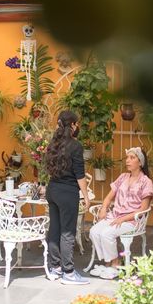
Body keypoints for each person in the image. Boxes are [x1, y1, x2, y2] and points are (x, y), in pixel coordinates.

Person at [88, 147, 153, 279]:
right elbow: (108, 197)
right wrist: (104, 208)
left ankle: (115, 263)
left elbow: (143, 208)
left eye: (132, 158)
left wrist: (123, 219)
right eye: (127, 158)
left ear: (140, 162)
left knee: (106, 234)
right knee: (94, 231)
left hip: (132, 220)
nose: (128, 161)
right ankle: (108, 262)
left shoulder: (146, 182)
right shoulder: (123, 177)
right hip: (115, 216)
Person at [44, 110, 92, 285]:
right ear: (72, 125)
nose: (77, 126)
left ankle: (55, 267)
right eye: (76, 123)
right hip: (67, 193)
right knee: (67, 232)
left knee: (55, 229)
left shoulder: (53, 143)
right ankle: (69, 272)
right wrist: (86, 196)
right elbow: (80, 175)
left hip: (53, 190)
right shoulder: (75, 145)